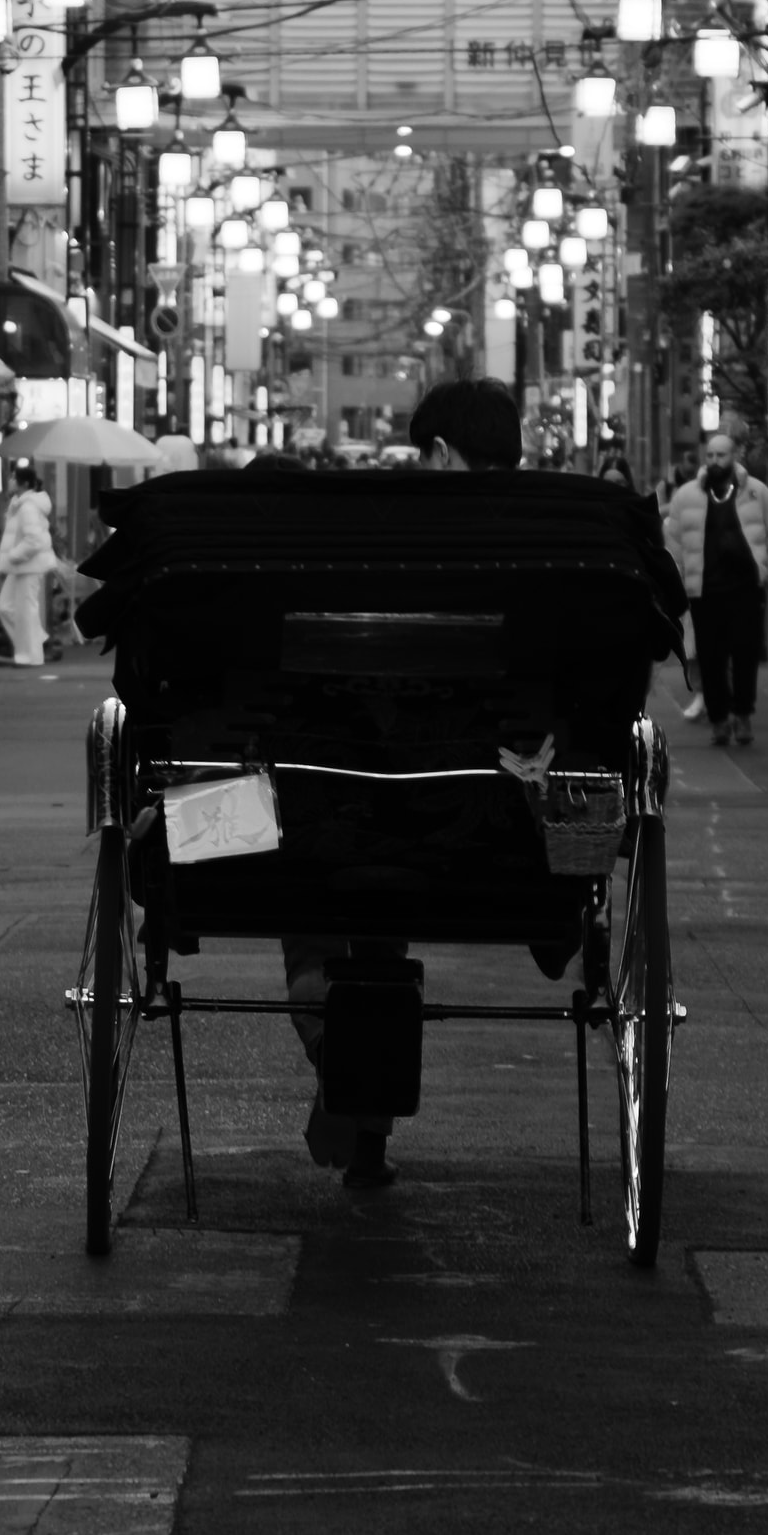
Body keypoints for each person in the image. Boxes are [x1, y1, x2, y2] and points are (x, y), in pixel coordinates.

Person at [282, 379, 526, 1191]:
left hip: (356, 793)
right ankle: (364, 1110)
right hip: (490, 807)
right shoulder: (551, 540)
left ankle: (344, 1065)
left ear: (442, 453)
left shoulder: (388, 540)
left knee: (327, 866)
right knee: (377, 882)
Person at [662, 428, 768, 745]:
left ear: (734, 457)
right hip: (705, 591)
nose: (716, 461)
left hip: (746, 589)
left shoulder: (757, 492)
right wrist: (677, 583)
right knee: (711, 658)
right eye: (711, 456)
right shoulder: (687, 496)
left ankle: (743, 715)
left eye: (722, 455)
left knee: (746, 655)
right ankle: (719, 719)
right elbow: (674, 543)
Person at [0, 462, 57, 666]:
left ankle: (31, 655)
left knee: (25, 609)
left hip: (27, 566)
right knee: (7, 607)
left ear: (24, 483)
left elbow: (33, 540)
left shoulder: (27, 507)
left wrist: (13, 556)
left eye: (14, 477)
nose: (10, 481)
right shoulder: (19, 505)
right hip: (21, 566)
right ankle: (36, 644)